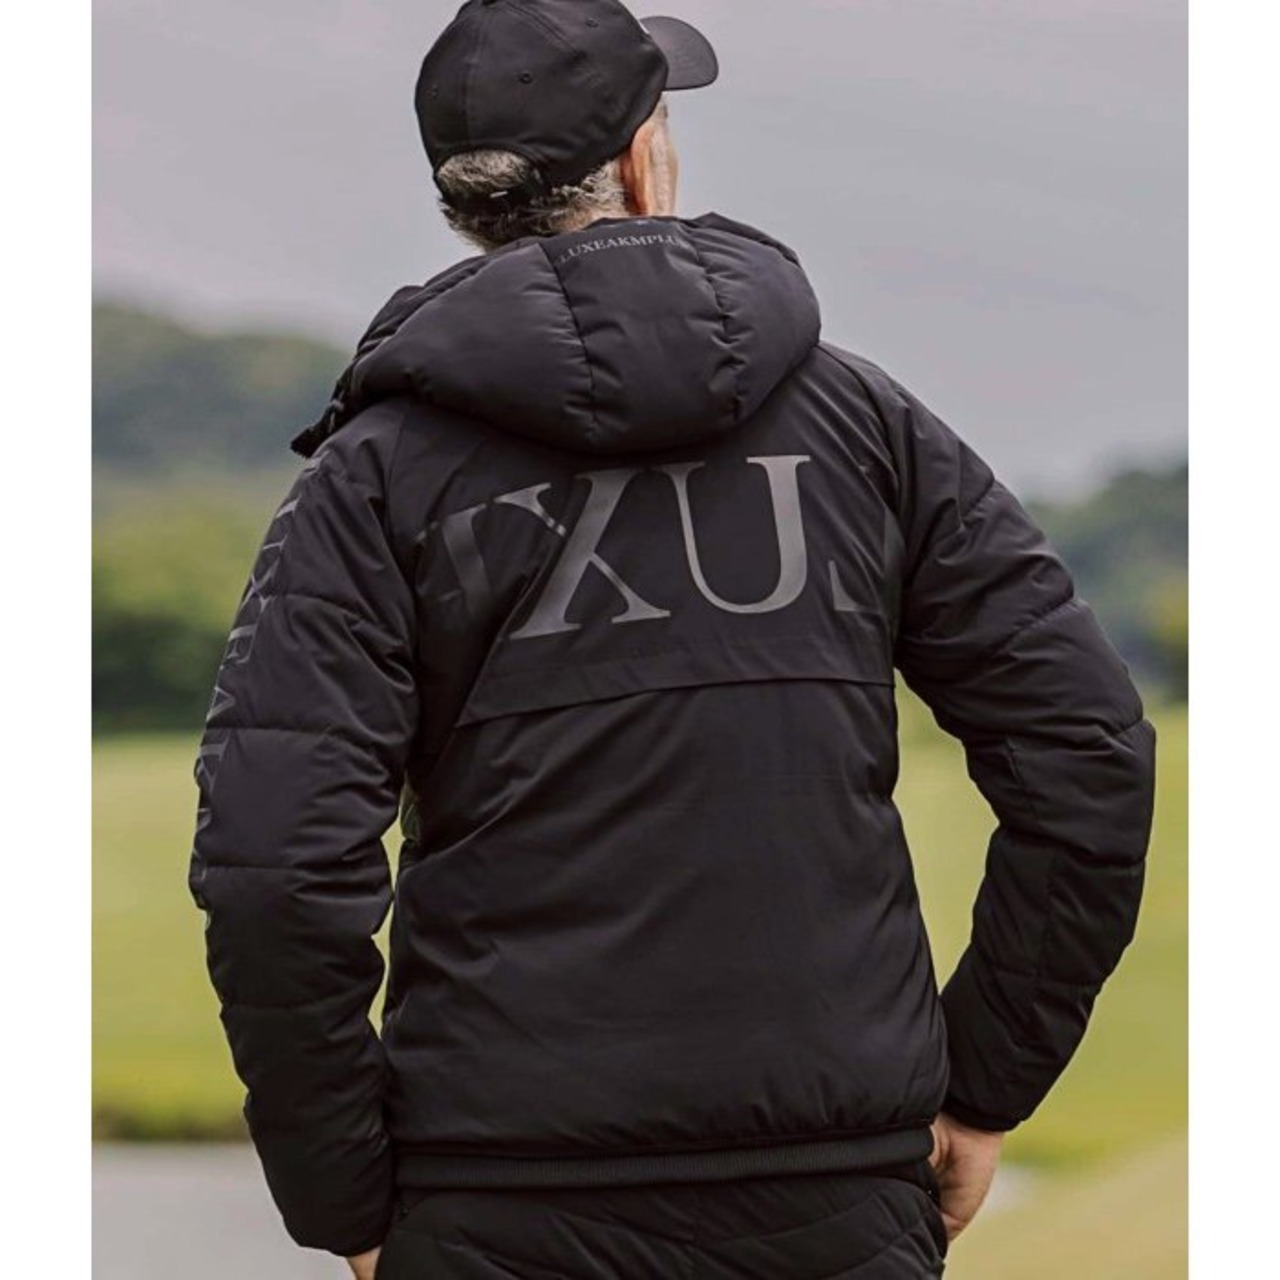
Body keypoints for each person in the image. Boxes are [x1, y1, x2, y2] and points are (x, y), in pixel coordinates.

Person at [188, 2, 1157, 1276]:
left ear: (464, 204)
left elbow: (272, 869)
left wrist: (344, 1198)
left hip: (495, 1205)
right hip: (830, 1204)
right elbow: (1087, 756)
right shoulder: (866, 424)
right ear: (645, 161)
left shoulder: (368, 476)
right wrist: (981, 1081)